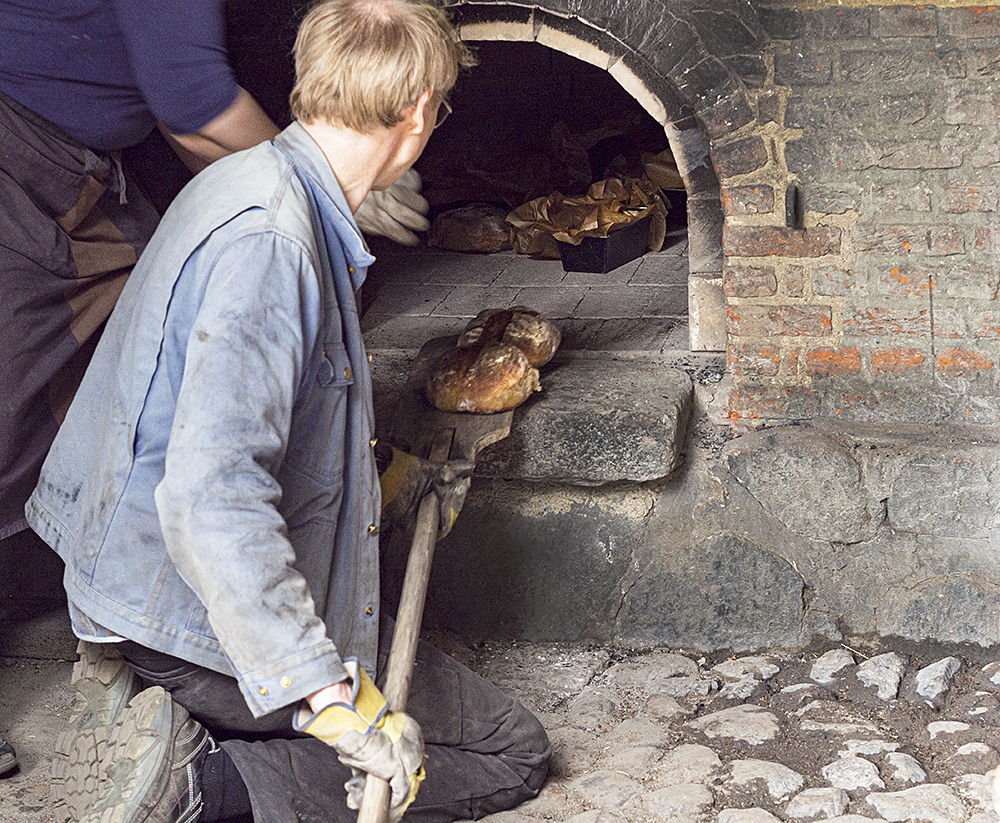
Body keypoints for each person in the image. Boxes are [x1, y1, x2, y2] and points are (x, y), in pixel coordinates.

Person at [26, 1, 551, 822]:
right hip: (172, 612)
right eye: (439, 107)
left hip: (125, 584)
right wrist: (325, 691)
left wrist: (371, 477)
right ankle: (204, 789)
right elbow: (210, 499)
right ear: (416, 114)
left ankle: (181, 719)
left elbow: (234, 419)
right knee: (510, 749)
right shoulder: (273, 244)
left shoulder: (246, 180)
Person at [0, 0, 430, 583]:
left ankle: (100, 558)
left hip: (70, 156)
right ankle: (88, 574)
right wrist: (324, 181)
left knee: (162, 300)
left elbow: (179, 113)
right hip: (19, 160)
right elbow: (193, 105)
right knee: (28, 381)